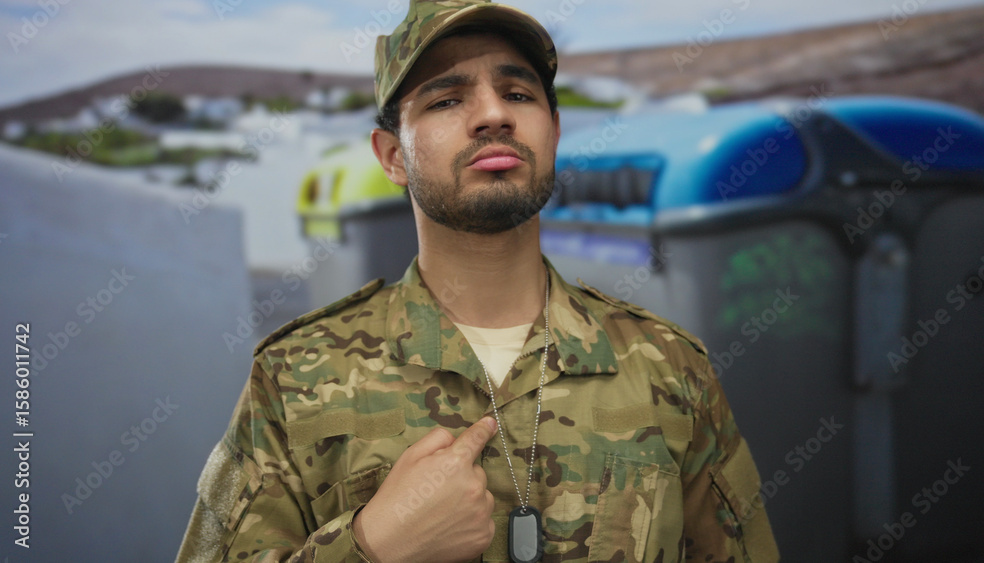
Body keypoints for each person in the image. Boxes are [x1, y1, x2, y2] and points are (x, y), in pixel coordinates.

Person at [175, 1, 780, 561]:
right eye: (445, 100)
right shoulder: (294, 378)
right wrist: (372, 545)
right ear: (392, 156)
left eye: (517, 93)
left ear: (554, 133)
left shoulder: (670, 368)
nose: (494, 114)